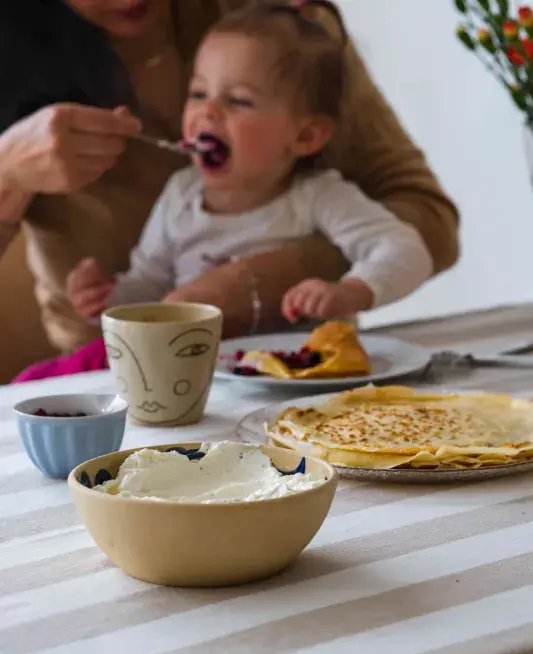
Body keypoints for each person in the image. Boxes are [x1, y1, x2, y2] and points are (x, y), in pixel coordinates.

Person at [0, 0, 459, 374]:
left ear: (306, 134)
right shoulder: (182, 196)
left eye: (238, 100)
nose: (207, 114)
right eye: (197, 94)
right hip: (127, 374)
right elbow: (146, 281)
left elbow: (425, 223)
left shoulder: (284, 29)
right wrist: (6, 171)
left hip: (296, 374)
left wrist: (256, 286)